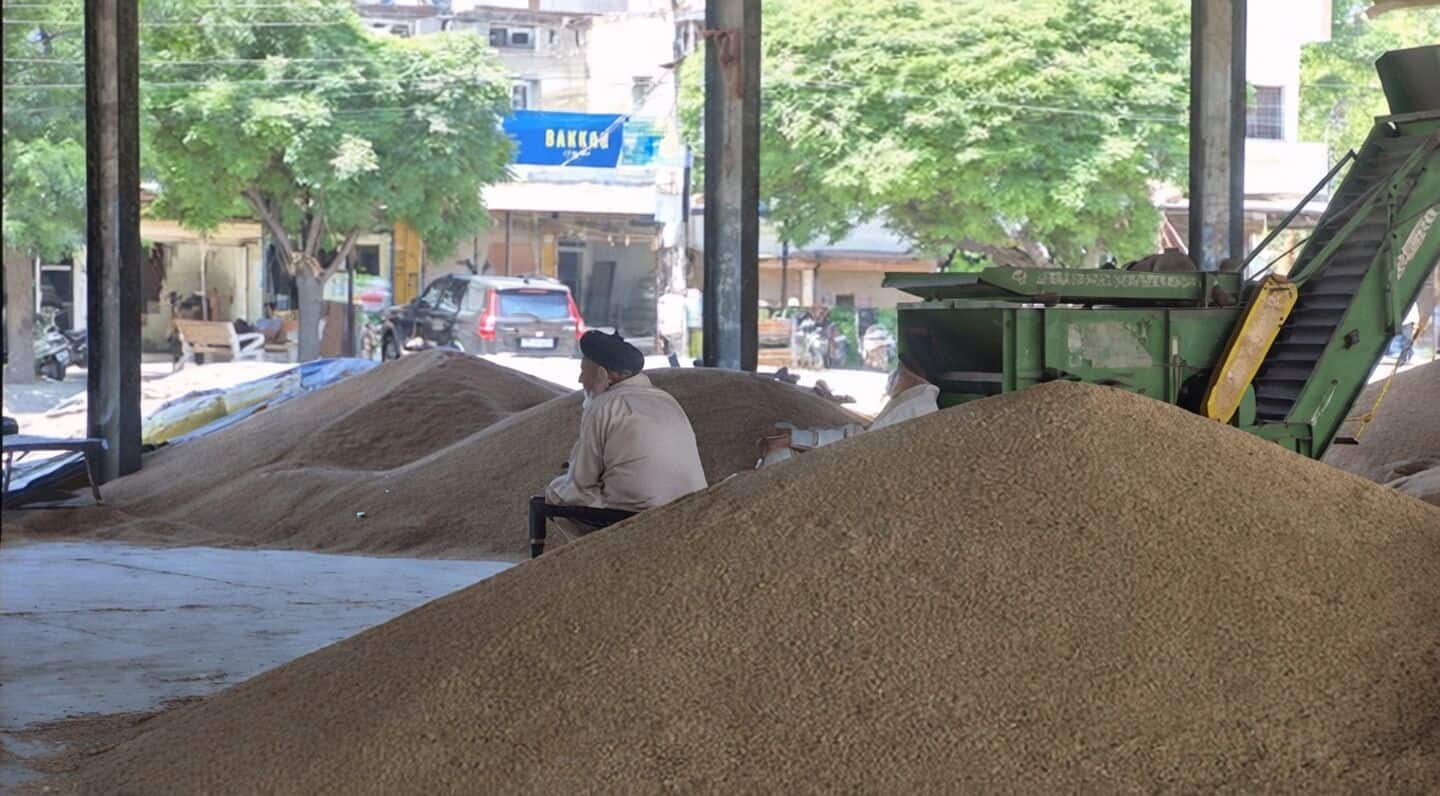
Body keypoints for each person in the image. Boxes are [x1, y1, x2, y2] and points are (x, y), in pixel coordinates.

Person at [545, 330, 708, 538]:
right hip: (691, 504)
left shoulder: (603, 406)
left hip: (632, 511)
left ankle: (591, 553)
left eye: (584, 371)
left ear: (603, 375)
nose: (580, 379)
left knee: (557, 491)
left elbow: (581, 480)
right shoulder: (667, 399)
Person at [758, 352, 939, 466]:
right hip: (856, 457)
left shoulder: (917, 404)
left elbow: (865, 440)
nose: (893, 378)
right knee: (782, 436)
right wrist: (794, 437)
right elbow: (860, 434)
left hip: (862, 466)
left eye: (900, 372)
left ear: (914, 377)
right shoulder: (912, 400)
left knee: (780, 457)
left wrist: (796, 438)